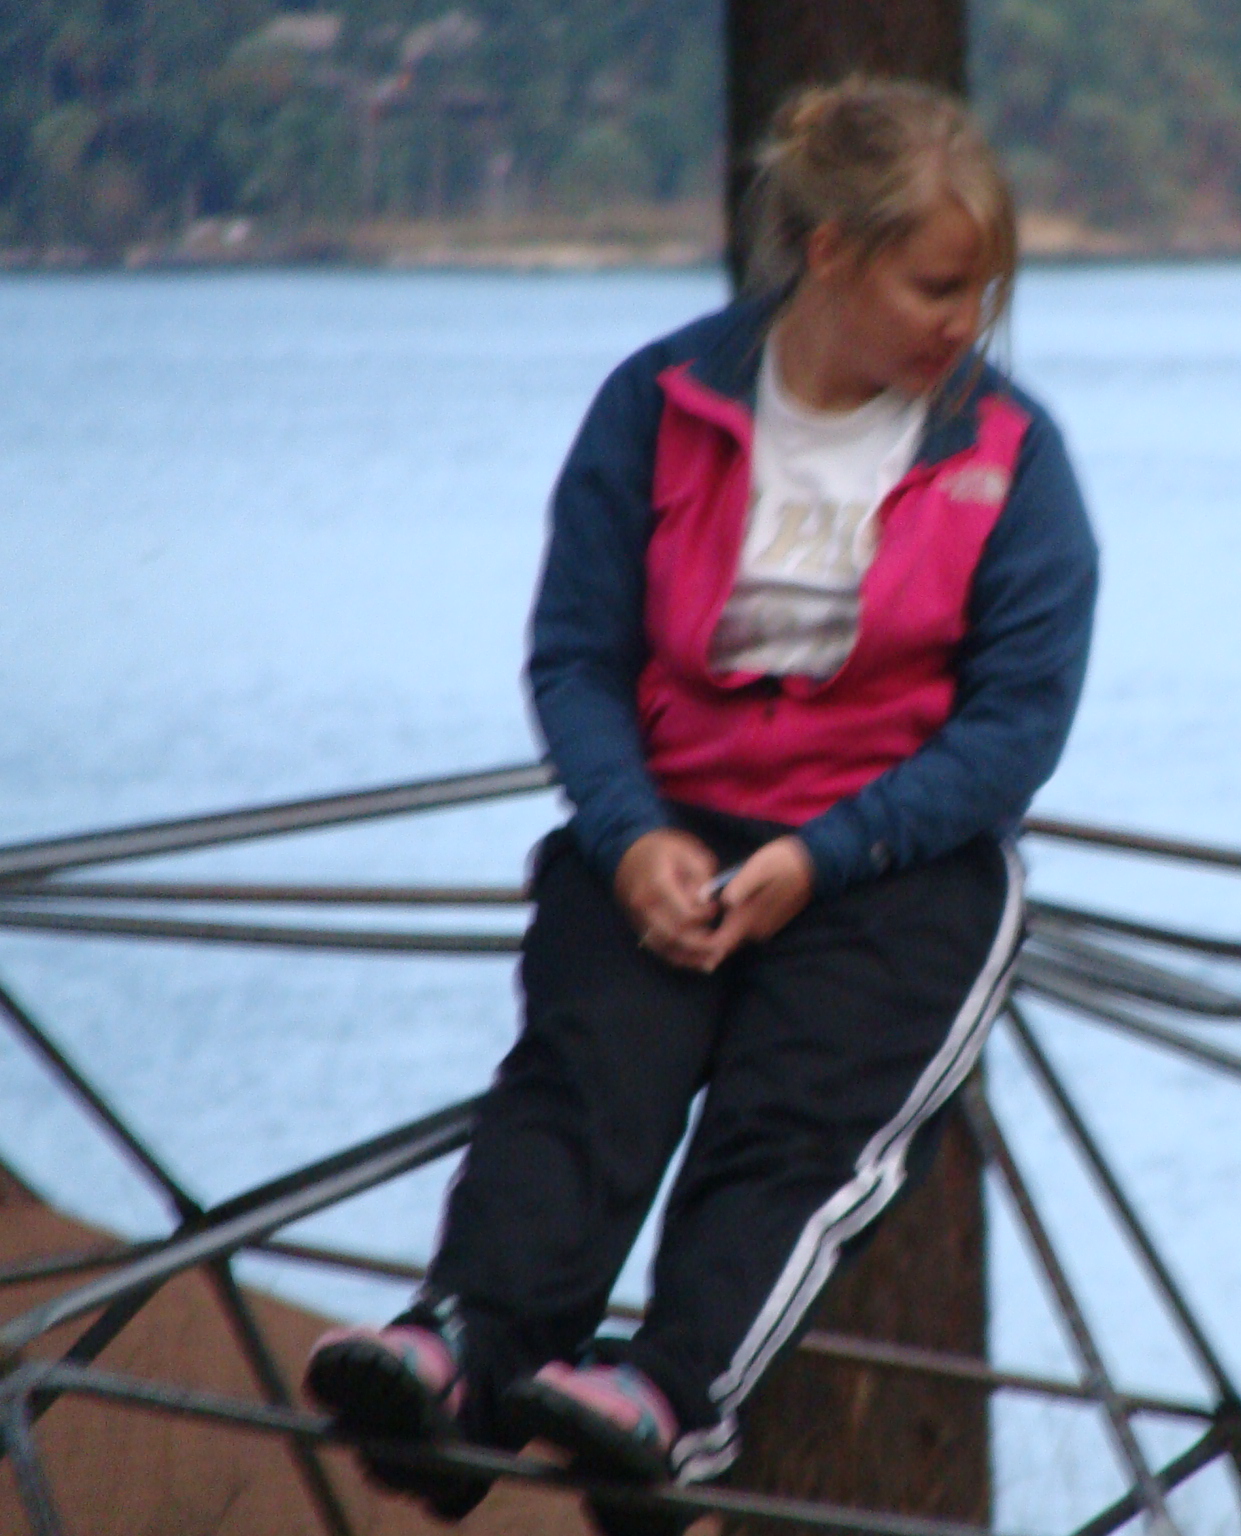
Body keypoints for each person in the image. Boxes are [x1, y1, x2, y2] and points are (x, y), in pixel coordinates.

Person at [301, 76, 1097, 1528]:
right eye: (937, 288)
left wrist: (825, 854)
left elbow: (1018, 727)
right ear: (830, 254)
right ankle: (466, 1347)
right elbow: (577, 655)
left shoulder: (1013, 457)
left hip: (897, 864)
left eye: (985, 292)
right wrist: (629, 836)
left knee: (791, 1130)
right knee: (583, 1080)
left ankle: (670, 1403)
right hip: (669, 833)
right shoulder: (657, 401)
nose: (967, 325)